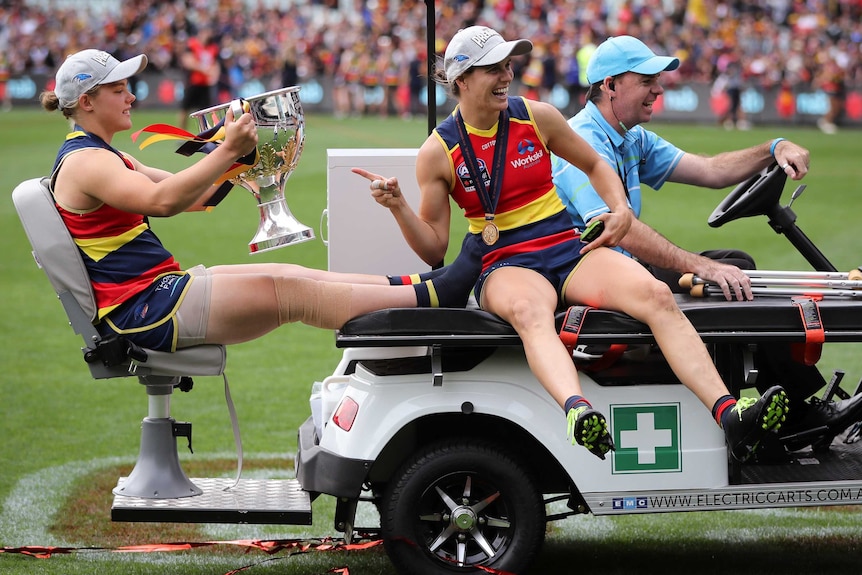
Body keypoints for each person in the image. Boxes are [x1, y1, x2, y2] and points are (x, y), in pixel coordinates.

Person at [352, 26, 788, 462]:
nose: (507, 75)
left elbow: (595, 163)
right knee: (529, 313)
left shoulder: (537, 115)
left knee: (656, 294)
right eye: (494, 68)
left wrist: (620, 208)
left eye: (508, 65)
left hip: (565, 247)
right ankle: (578, 411)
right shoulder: (437, 150)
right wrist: (398, 207)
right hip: (503, 263)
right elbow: (433, 250)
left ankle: (731, 416)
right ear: (461, 79)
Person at [39, 49, 480, 360]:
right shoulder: (86, 162)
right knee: (289, 293)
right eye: (119, 89)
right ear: (87, 101)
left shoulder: (103, 156)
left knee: (294, 274)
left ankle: (427, 285)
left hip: (155, 296)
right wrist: (228, 152)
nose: (131, 96)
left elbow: (202, 198)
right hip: (143, 311)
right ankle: (439, 294)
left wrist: (237, 150)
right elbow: (165, 200)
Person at [550, 35, 862, 453]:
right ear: (610, 85)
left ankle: (786, 413)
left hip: (619, 265)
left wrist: (774, 148)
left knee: (736, 265)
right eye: (646, 81)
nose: (659, 90)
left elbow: (710, 169)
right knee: (725, 274)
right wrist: (700, 266)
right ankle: (781, 418)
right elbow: (618, 227)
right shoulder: (582, 139)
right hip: (589, 275)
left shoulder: (630, 136)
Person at [178, 30, 221, 131]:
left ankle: (204, 132)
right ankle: (182, 133)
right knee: (185, 108)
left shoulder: (213, 48)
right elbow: (187, 61)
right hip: (193, 83)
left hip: (205, 85)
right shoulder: (192, 44)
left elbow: (215, 64)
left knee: (204, 111)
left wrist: (214, 75)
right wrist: (204, 69)